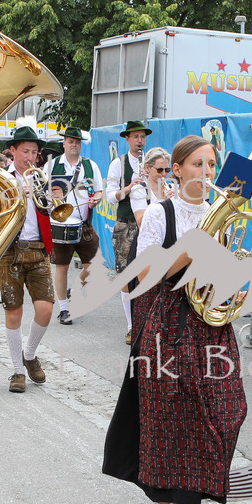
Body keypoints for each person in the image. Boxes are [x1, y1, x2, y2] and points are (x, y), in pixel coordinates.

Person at [103, 135, 247, 504]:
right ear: (178, 170)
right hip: (167, 323)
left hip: (211, 322)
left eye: (211, 165)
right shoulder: (159, 214)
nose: (206, 173)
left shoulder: (225, 212)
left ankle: (194, 497)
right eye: (198, 165)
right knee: (167, 415)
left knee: (222, 411)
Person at [0, 123, 56, 393]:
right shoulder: (0, 178)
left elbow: (47, 211)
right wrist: (18, 196)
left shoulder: (40, 177)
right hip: (10, 250)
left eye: (34, 152)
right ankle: (18, 370)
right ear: (13, 151)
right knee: (13, 312)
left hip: (38, 248)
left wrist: (50, 199)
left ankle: (29, 354)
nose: (30, 157)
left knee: (46, 308)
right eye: (25, 151)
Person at [45, 126, 104, 325]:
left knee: (94, 265)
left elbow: (99, 191)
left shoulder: (90, 165)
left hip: (84, 224)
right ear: (64, 143)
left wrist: (96, 199)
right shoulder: (52, 165)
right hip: (61, 223)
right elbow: (42, 193)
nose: (74, 145)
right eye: (70, 141)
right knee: (62, 267)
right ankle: (63, 309)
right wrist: (50, 196)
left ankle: (75, 288)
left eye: (77, 142)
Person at [106, 120, 152, 344]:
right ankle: (131, 326)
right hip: (126, 222)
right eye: (135, 137)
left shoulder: (151, 161)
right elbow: (109, 196)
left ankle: (148, 323)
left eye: (142, 136)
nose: (140, 140)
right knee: (126, 274)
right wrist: (130, 187)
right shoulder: (119, 163)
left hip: (150, 222)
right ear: (127, 139)